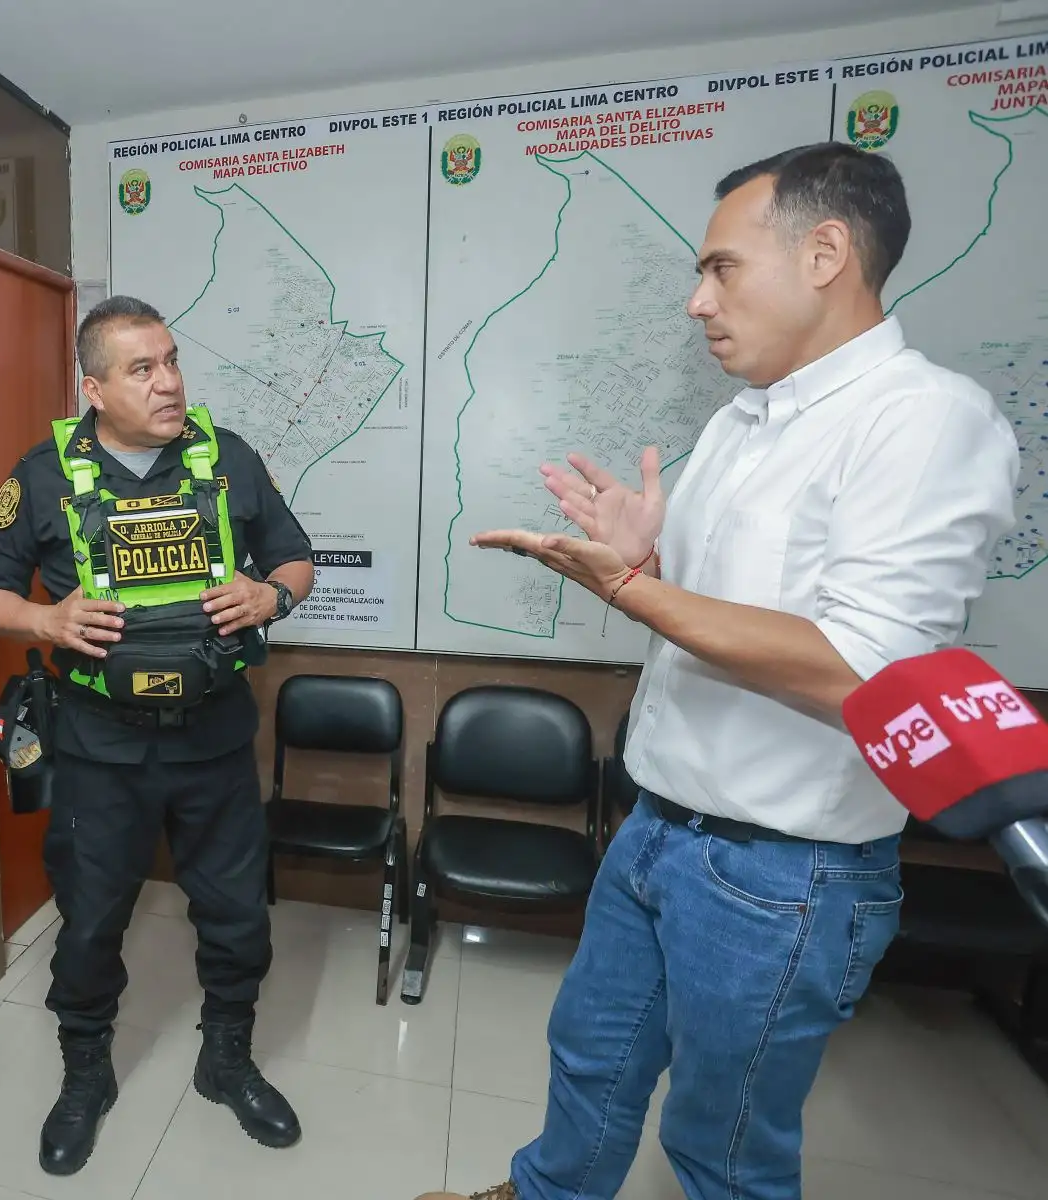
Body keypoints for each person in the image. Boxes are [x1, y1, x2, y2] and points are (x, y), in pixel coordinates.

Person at [432, 143, 1019, 1200]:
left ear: (827, 252)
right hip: (663, 825)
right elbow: (726, 613)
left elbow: (863, 673)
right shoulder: (743, 420)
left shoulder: (924, 421)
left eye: (722, 268)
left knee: (723, 1144)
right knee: (592, 1061)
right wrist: (650, 561)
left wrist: (629, 589)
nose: (697, 301)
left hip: (782, 874)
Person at [0, 295, 316, 1175]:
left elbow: (295, 558)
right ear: (93, 387)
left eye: (171, 361)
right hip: (97, 749)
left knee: (236, 916)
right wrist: (48, 624)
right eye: (141, 369)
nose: (168, 382)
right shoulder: (41, 475)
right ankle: (86, 1075)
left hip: (213, 744)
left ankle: (225, 1059)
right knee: (88, 925)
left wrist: (272, 595)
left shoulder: (227, 458)